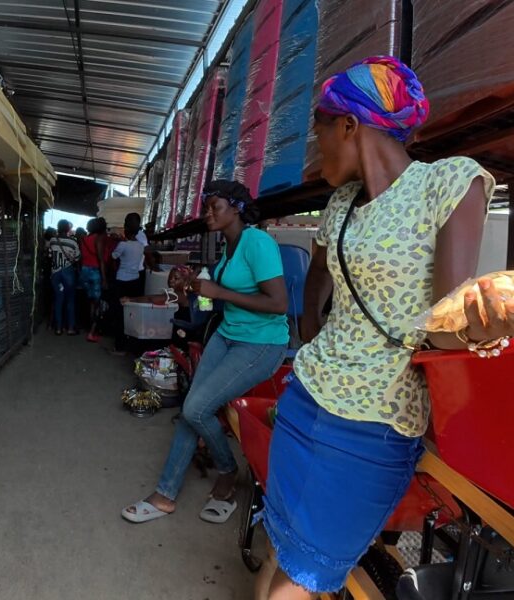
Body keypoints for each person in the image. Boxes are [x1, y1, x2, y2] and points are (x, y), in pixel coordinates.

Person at [257, 57, 513, 599]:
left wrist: (483, 321)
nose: (316, 148)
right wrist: (313, 338)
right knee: (281, 549)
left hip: (374, 425)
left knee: (301, 577)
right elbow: (318, 279)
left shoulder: (449, 183)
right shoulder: (339, 205)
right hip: (305, 400)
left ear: (349, 125)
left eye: (319, 131)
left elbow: (444, 325)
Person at [122, 180, 289, 526]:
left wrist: (218, 292)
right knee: (191, 409)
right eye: (207, 207)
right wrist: (189, 287)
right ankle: (166, 494)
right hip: (227, 335)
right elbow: (212, 299)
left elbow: (278, 304)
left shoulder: (258, 243)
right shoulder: (228, 247)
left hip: (261, 344)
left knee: (196, 408)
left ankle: (227, 470)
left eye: (216, 207)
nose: (208, 213)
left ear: (236, 209)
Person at [109, 213, 149, 353]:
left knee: (119, 313)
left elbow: (113, 257)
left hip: (121, 281)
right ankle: (132, 345)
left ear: (125, 228)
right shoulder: (141, 246)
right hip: (135, 280)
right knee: (133, 313)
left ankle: (119, 346)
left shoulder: (123, 245)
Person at [79, 218, 111, 342]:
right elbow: (101, 260)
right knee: (97, 304)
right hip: (95, 272)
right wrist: (104, 279)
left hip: (84, 271)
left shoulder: (84, 239)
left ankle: (91, 328)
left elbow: (81, 258)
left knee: (91, 302)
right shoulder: (99, 238)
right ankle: (92, 332)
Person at [47, 219, 80, 335]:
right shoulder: (73, 242)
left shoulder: (52, 240)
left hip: (56, 274)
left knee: (58, 299)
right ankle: (70, 328)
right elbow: (77, 258)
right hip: (68, 272)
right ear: (68, 229)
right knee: (70, 300)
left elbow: (50, 255)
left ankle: (58, 328)